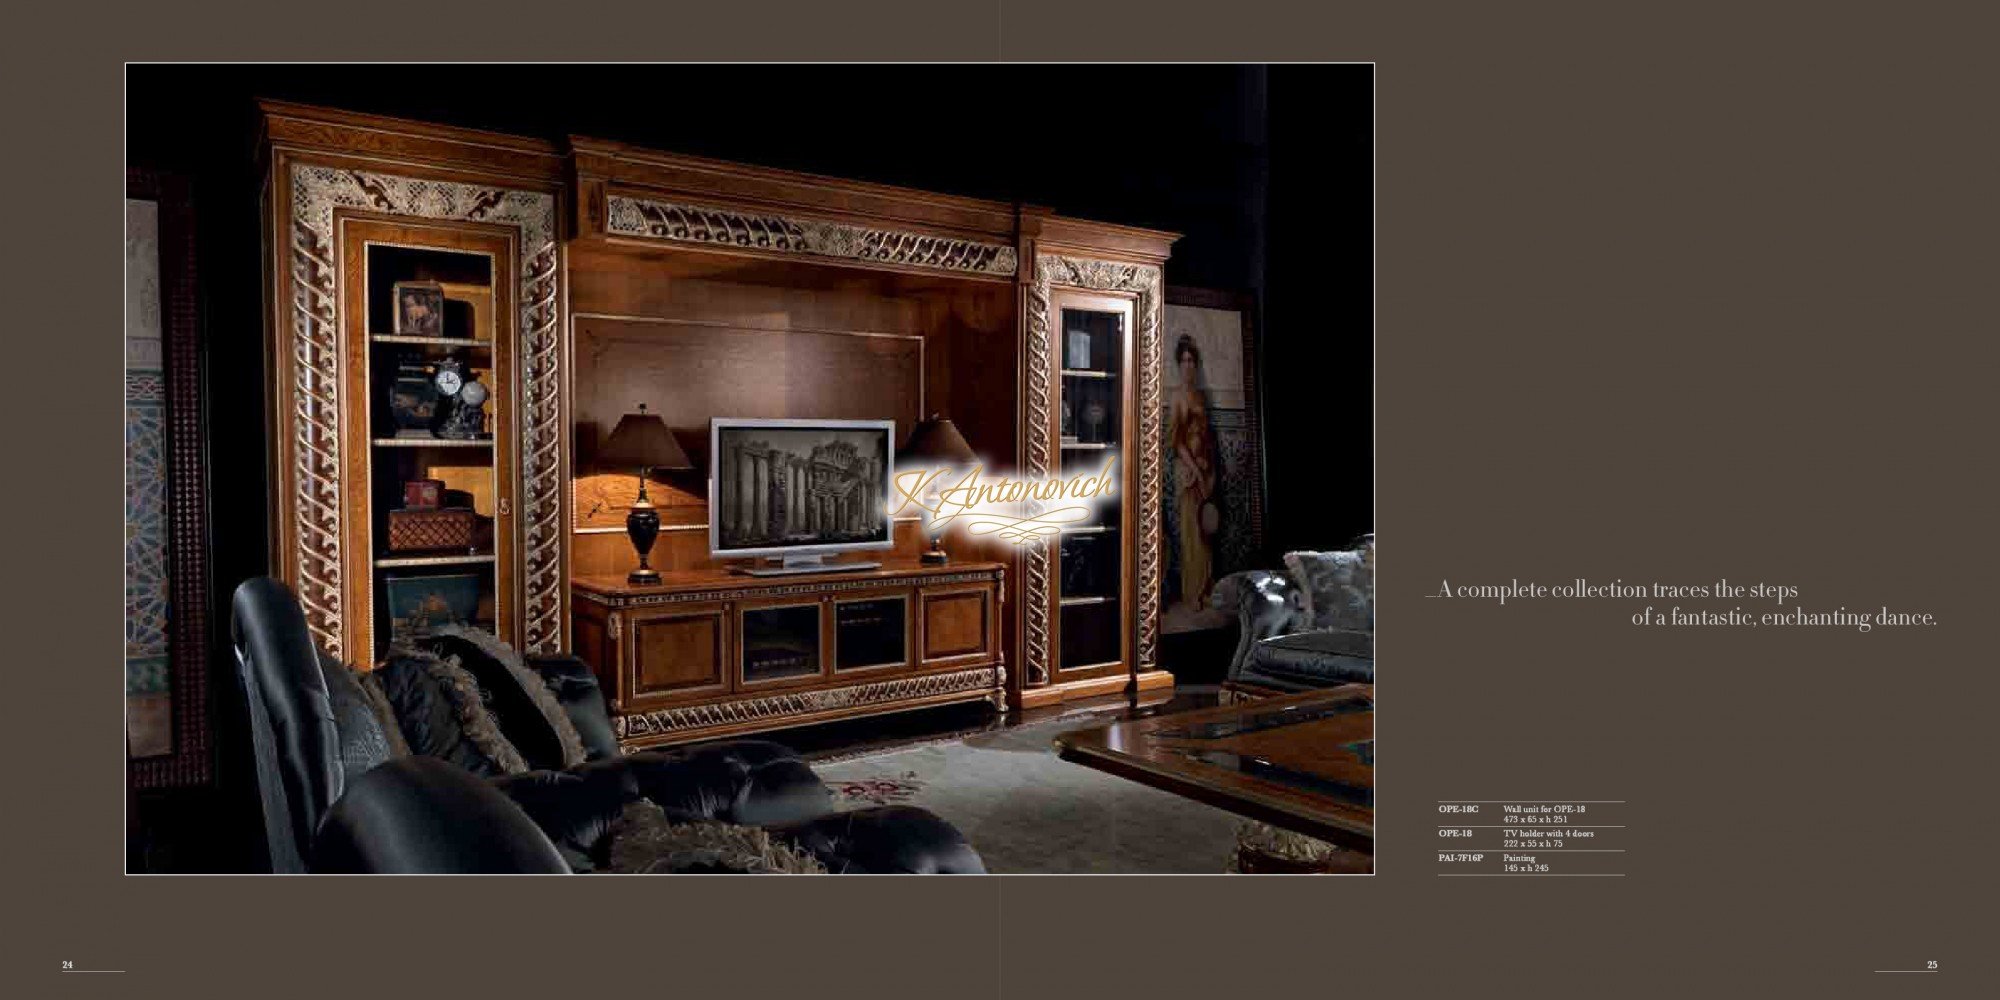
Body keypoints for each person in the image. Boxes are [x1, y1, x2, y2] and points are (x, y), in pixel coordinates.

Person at [1170, 335, 1221, 612]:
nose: (1189, 366)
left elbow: (1208, 437)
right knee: (1191, 532)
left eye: (1192, 361)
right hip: (1187, 472)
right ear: (1179, 365)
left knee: (1206, 531)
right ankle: (1192, 594)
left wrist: (1209, 469)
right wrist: (1195, 471)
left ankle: (1206, 587)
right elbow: (1177, 442)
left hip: (1204, 467)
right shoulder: (1177, 396)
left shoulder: (1200, 396)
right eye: (1184, 361)